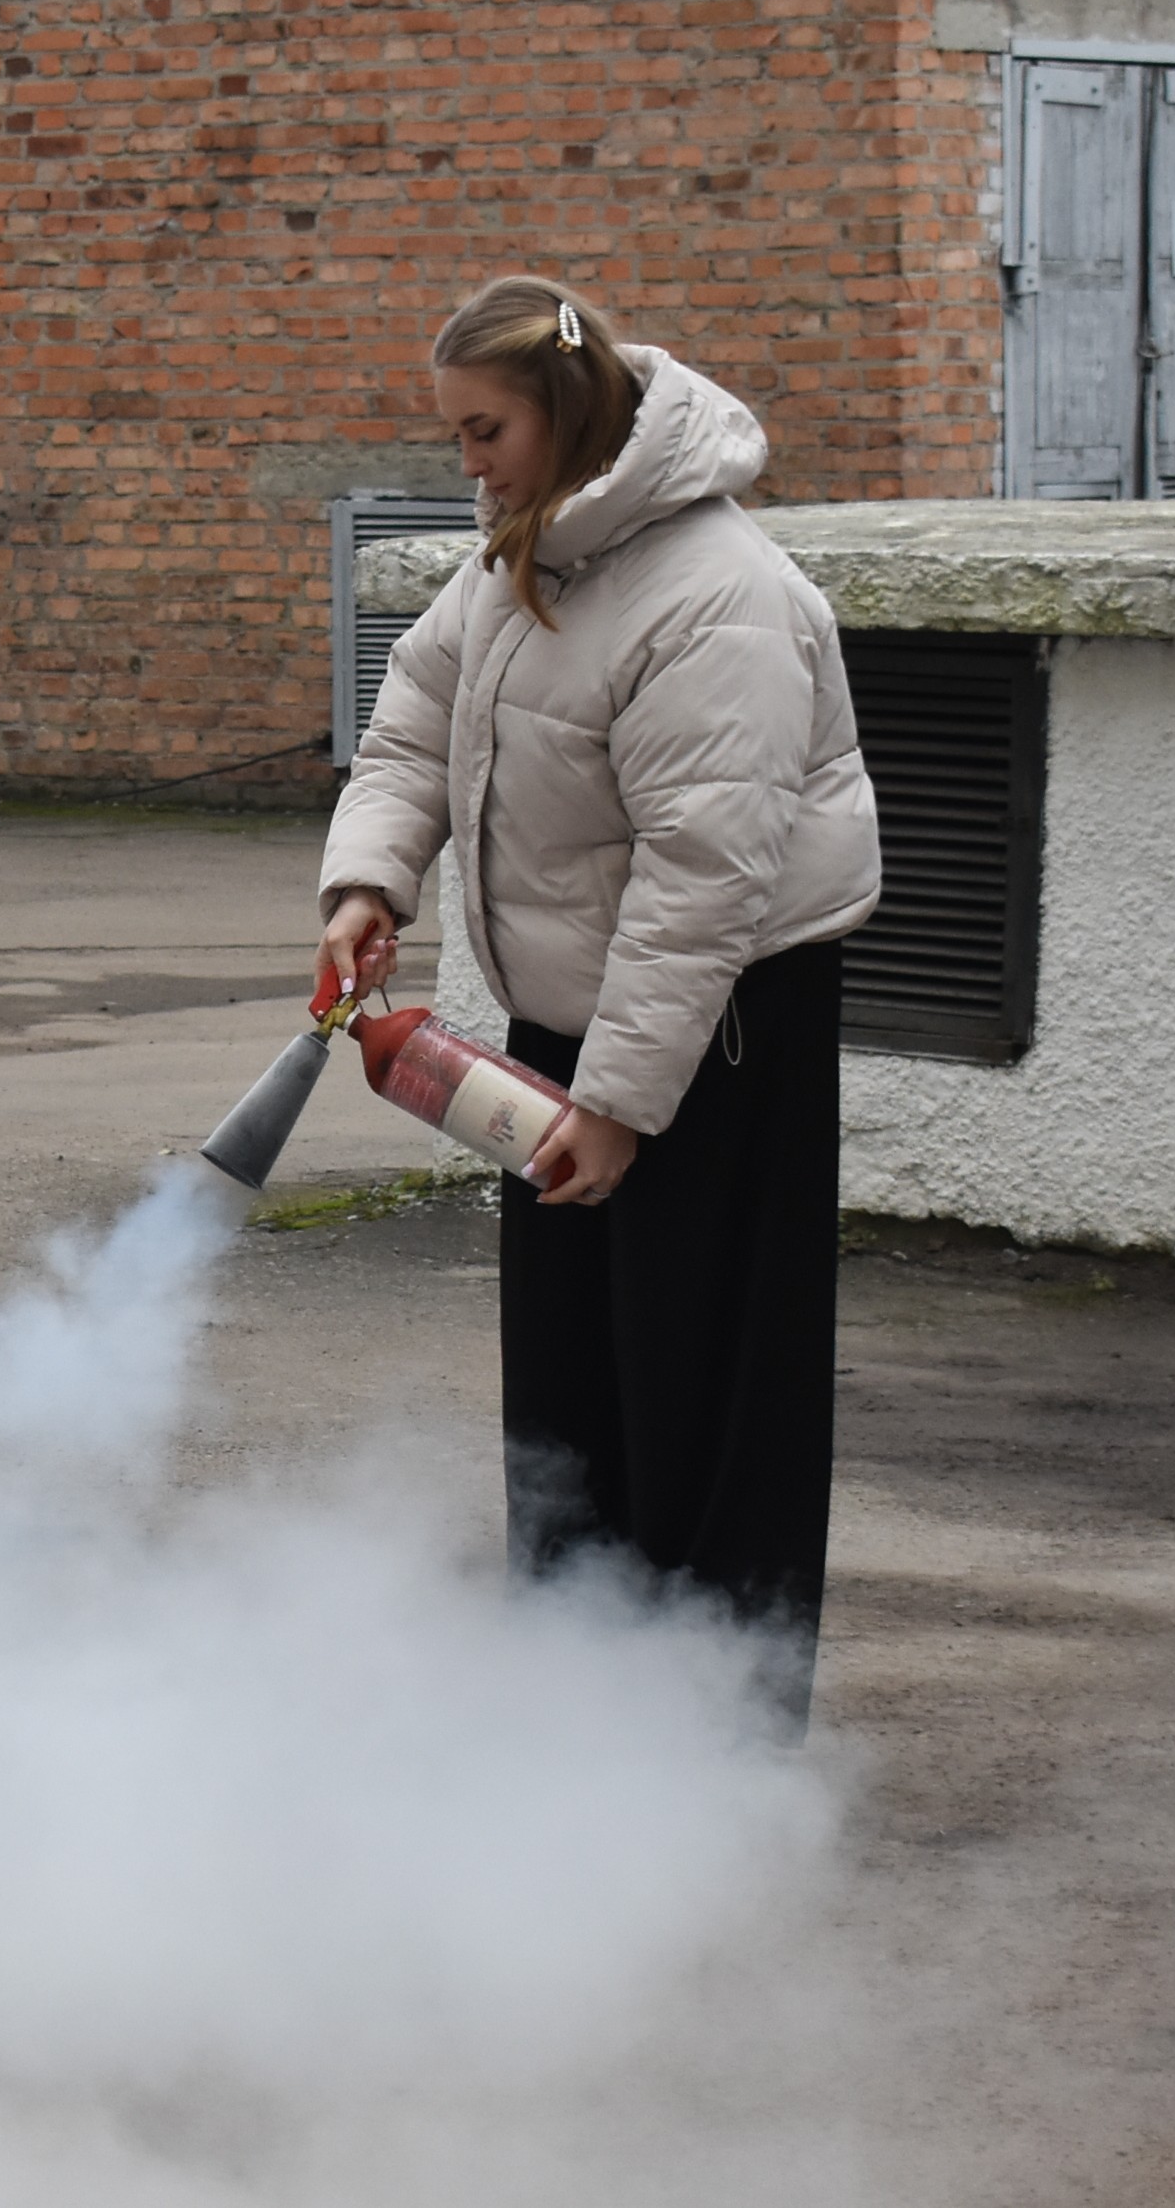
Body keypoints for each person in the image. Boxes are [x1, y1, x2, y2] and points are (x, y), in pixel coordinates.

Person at [315, 276, 879, 1734]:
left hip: (723, 1039)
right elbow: (412, 728)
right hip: (577, 1029)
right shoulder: (523, 556)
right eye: (454, 432)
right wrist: (369, 883)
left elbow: (703, 880)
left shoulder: (720, 596)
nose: (466, 462)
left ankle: (723, 1747)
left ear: (565, 415)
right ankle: (575, 1718)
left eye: (484, 430)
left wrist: (621, 1105)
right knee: (572, 1387)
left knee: (708, 1391)